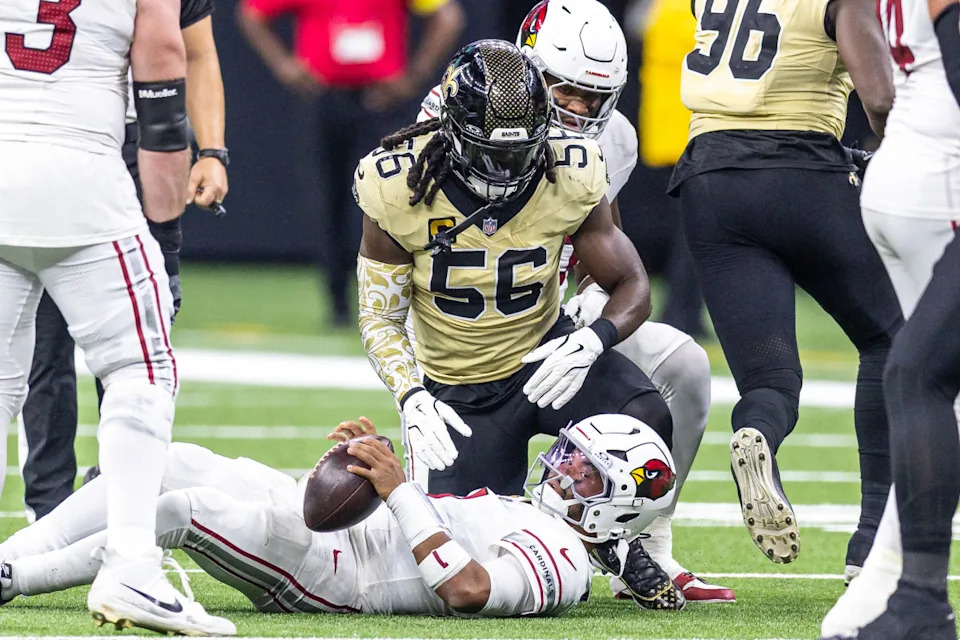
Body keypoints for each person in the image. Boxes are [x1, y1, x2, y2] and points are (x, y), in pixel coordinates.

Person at [415, 0, 731, 603]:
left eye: (595, 97)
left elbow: (596, 246)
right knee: (467, 562)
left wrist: (588, 311)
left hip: (554, 323)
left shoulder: (611, 140)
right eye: (566, 93)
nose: (581, 111)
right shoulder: (454, 118)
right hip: (466, 346)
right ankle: (569, 526)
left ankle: (647, 542)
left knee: (682, 363)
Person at [357, 39, 685, 606]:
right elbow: (380, 317)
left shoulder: (572, 166)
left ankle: (618, 540)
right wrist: (411, 395)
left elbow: (631, 285)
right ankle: (571, 528)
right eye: (490, 154)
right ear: (451, 133)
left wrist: (590, 340)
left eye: (519, 153)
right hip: (457, 391)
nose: (506, 170)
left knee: (643, 413)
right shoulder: (397, 184)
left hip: (546, 359)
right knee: (469, 562)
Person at [0, 0, 233, 633]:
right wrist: (163, 229)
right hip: (80, 172)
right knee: (141, 365)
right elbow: (162, 58)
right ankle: (131, 560)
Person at [1, 415, 684, 615]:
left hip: (343, 575)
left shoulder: (563, 563)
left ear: (617, 502)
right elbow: (421, 522)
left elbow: (468, 590)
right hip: (343, 536)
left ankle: (18, 582)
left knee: (186, 508)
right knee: (172, 458)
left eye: (584, 469)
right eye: (568, 452)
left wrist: (397, 491)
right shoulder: (525, 509)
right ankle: (15, 553)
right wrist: (377, 467)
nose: (561, 466)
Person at [669, 0, 903, 571]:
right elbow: (879, 98)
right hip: (801, 174)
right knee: (890, 338)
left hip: (709, 181)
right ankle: (870, 543)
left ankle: (757, 435)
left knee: (771, 379)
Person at [820, 0, 960, 637]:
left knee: (916, 374)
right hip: (921, 186)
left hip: (945, 191)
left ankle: (917, 597)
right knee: (920, 382)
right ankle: (900, 588)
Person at [236, 0, 464, 328]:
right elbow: (252, 14)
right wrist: (284, 65)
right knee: (328, 201)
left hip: (380, 101)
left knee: (391, 201)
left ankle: (398, 299)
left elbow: (448, 17)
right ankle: (339, 304)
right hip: (324, 98)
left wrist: (415, 75)